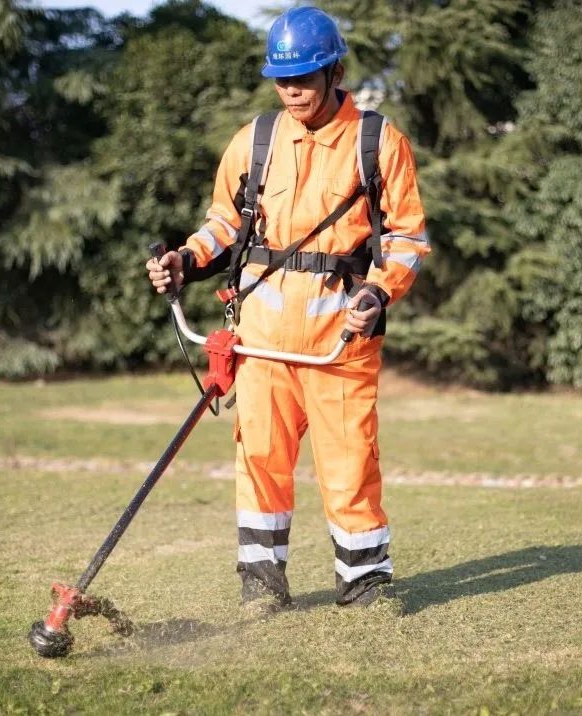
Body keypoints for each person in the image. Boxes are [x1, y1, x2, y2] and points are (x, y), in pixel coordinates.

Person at [146, 6, 429, 611]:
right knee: (260, 460)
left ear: (336, 71)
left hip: (340, 339)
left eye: (306, 77)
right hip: (261, 339)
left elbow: (406, 238)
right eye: (283, 79)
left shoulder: (377, 141)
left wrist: (378, 292)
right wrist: (185, 260)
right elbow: (225, 223)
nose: (293, 90)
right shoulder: (257, 139)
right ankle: (261, 582)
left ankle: (364, 580)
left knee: (350, 462)